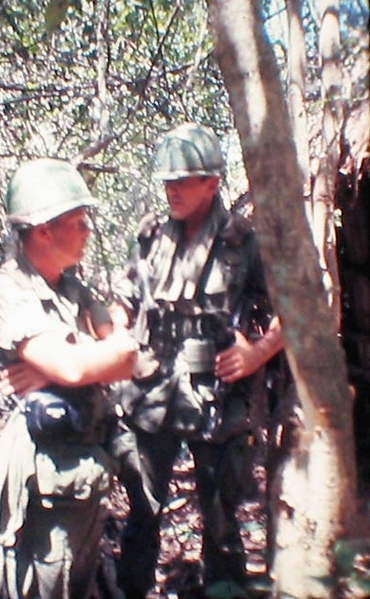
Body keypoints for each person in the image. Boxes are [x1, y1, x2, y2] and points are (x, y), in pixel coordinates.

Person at [110, 123, 284, 598]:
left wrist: (257, 353)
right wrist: (116, 336)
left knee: (224, 528)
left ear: (212, 182)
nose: (172, 189)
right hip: (150, 394)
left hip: (216, 400)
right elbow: (123, 298)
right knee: (141, 521)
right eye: (166, 180)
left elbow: (296, 311)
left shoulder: (244, 242)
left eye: (183, 180)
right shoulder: (148, 235)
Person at [0, 158, 138, 599]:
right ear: (43, 229)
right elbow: (75, 368)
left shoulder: (72, 289)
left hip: (82, 469)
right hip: (40, 478)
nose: (88, 231)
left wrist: (84, 356)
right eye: (78, 221)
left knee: (79, 582)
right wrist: (86, 359)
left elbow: (128, 352)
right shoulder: (2, 292)